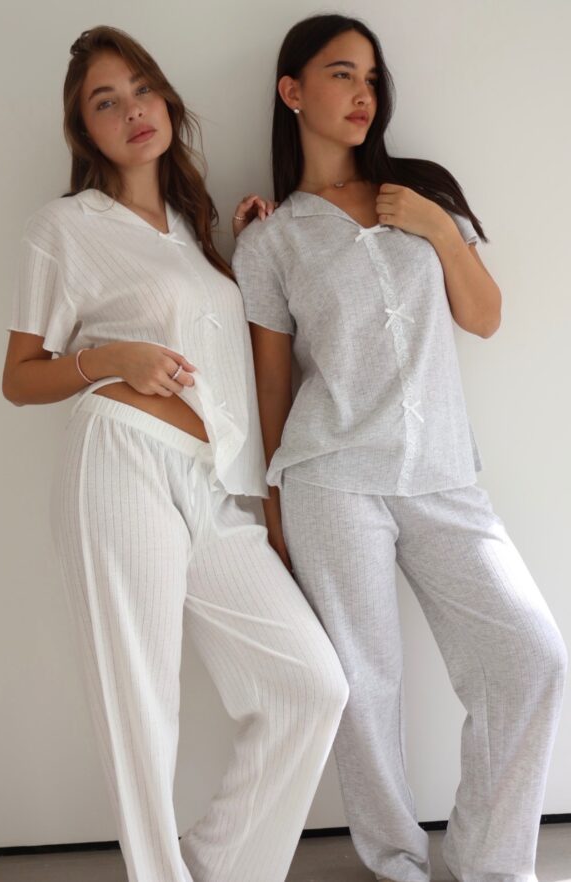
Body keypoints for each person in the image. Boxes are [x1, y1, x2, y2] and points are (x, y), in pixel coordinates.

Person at [2, 25, 349, 882]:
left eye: (141, 89)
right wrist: (109, 359)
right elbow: (19, 378)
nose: (132, 111)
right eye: (106, 102)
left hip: (215, 486)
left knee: (310, 688)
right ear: (85, 130)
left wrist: (245, 251)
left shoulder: (195, 230)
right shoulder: (64, 228)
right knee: (141, 704)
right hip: (120, 461)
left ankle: (216, 869)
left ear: (165, 98)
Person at [231, 13, 567, 882]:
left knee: (531, 657)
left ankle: (494, 864)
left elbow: (484, 317)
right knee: (365, 686)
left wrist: (439, 230)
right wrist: (273, 506)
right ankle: (396, 863)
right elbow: (271, 385)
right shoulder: (270, 240)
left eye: (372, 78)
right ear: (293, 90)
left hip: (443, 475)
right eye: (342, 74)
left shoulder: (421, 196)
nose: (363, 94)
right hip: (330, 479)